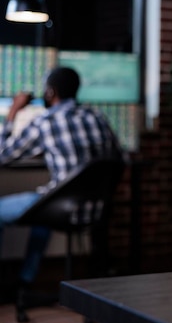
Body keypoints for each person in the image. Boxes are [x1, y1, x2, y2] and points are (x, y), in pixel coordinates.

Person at [0, 66, 124, 291]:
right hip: (97, 209)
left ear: (50, 92)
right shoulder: (96, 116)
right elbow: (118, 157)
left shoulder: (45, 122)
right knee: (43, 207)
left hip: (61, 207)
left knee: (29, 206)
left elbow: (4, 155)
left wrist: (13, 112)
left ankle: (22, 284)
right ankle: (25, 282)